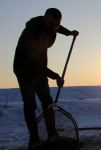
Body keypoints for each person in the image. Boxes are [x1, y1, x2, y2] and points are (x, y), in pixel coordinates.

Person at [13, 8, 79, 149]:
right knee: (30, 105)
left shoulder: (51, 26)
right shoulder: (31, 34)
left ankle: (52, 134)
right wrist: (55, 76)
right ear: (44, 19)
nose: (53, 28)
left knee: (47, 101)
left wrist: (68, 33)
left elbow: (56, 27)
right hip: (25, 70)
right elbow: (34, 64)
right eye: (51, 24)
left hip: (40, 69)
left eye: (56, 24)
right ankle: (35, 139)